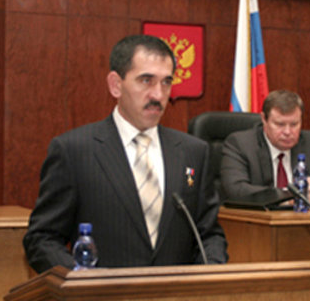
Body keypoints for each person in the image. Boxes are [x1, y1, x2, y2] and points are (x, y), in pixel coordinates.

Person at [23, 35, 228, 273]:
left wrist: (207, 278)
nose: (158, 95)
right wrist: (81, 281)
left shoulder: (194, 152)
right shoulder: (74, 150)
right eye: (146, 80)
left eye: (166, 82)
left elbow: (209, 235)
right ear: (115, 85)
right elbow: (41, 239)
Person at [220, 90, 310, 203]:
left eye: (294, 124)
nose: (287, 132)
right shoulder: (240, 144)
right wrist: (292, 194)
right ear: (264, 119)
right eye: (280, 124)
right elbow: (236, 190)